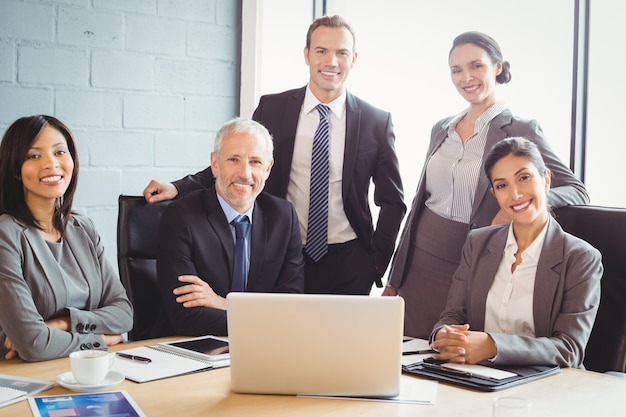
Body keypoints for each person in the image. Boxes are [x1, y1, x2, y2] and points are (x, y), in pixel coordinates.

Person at [143, 15, 406, 296]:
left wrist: (376, 263)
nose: (331, 61)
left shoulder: (376, 121)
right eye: (321, 51)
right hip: (282, 254)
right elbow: (239, 163)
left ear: (353, 58)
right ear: (307, 55)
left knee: (340, 340)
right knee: (281, 334)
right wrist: (178, 187)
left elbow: (392, 201)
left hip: (349, 261)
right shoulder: (273, 108)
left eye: (341, 53)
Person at [384, 31, 589, 338]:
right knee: (405, 360)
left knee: (453, 358)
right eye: (457, 70)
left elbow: (576, 190)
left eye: (476, 66)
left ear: (497, 67)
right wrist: (394, 277)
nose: (466, 76)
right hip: (419, 262)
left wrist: (514, 208)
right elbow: (417, 207)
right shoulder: (442, 127)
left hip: (470, 260)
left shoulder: (520, 129)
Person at [429, 137, 602, 368]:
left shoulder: (580, 258)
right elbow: (453, 315)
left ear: (546, 179)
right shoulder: (478, 243)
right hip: (477, 377)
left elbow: (569, 349)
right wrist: (444, 335)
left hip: (545, 385)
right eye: (502, 185)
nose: (516, 194)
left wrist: (493, 346)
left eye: (524, 178)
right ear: (494, 194)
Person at [152, 118, 305, 337]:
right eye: (234, 159)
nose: (245, 173)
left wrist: (223, 304)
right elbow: (187, 316)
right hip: (194, 350)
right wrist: (268, 320)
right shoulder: (181, 217)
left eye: (255, 162)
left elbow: (291, 310)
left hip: (262, 351)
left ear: (268, 168)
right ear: (215, 164)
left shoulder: (283, 216)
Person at [0, 115, 133, 362]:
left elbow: (124, 314)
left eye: (60, 152)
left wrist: (64, 322)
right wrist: (100, 340)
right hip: (23, 376)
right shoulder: (6, 234)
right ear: (15, 170)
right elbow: (34, 344)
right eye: (33, 156)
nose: (51, 164)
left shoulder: (83, 228)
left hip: (87, 370)